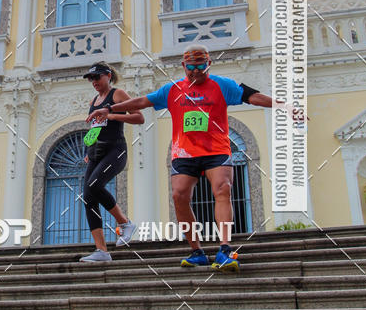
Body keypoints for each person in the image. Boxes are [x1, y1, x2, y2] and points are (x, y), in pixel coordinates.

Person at [90, 45, 294, 271]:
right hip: (184, 153)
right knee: (179, 196)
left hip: (216, 150)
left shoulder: (222, 85)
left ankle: (225, 250)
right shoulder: (173, 89)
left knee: (223, 188)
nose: (196, 71)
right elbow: (141, 102)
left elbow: (252, 97)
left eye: (201, 66)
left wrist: (284, 106)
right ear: (183, 66)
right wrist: (110, 109)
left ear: (209, 64)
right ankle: (197, 251)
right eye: (191, 67)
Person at [79, 62, 144, 263]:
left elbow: (139, 117)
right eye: (91, 79)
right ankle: (102, 251)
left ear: (108, 75)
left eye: (97, 77)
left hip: (115, 150)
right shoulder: (93, 100)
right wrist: (88, 148)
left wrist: (112, 114)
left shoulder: (118, 94)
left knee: (94, 185)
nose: (94, 82)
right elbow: (96, 126)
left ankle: (124, 223)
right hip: (96, 152)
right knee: (88, 197)